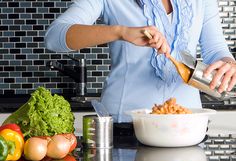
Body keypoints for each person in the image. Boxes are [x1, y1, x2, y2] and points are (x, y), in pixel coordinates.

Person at [45, 0, 236, 123]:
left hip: (188, 125)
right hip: (126, 126)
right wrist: (120, 32)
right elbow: (54, 37)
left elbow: (216, 50)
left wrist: (228, 64)